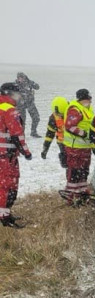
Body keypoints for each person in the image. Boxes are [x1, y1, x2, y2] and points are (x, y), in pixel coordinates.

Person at [0, 82, 33, 228]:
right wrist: (26, 152)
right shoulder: (9, 110)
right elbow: (17, 135)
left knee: (3, 185)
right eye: (18, 94)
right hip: (6, 157)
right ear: (11, 94)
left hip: (3, 155)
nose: (20, 97)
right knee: (8, 186)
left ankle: (5, 214)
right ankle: (4, 218)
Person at [62, 89, 95, 205]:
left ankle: (81, 193)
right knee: (75, 171)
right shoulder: (75, 109)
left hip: (85, 147)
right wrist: (84, 134)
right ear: (82, 99)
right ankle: (70, 196)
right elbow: (69, 126)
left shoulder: (87, 109)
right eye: (88, 98)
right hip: (75, 147)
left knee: (84, 171)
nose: (90, 101)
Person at [41, 96, 69, 168]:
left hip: (75, 142)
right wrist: (45, 149)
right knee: (65, 161)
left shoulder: (74, 112)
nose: (60, 116)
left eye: (62, 114)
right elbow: (49, 135)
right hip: (62, 142)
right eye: (58, 114)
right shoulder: (53, 118)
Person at [14, 72, 41, 138]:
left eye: (21, 77)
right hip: (20, 105)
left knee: (36, 117)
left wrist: (33, 84)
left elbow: (37, 87)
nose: (20, 79)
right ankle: (22, 134)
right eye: (19, 78)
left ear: (24, 77)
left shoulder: (29, 82)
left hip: (30, 103)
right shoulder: (15, 85)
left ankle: (33, 132)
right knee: (22, 121)